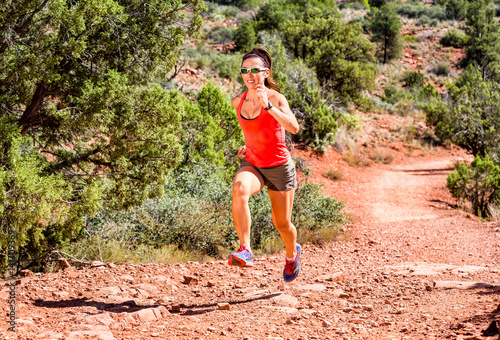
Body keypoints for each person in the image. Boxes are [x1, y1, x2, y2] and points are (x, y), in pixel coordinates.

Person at [227, 47, 301, 282]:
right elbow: (255, 131)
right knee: (239, 188)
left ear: (266, 72)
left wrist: (269, 107)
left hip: (279, 167)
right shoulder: (237, 101)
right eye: (244, 71)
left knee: (282, 223)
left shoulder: (277, 98)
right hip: (254, 164)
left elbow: (293, 128)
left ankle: (292, 255)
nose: (249, 75)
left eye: (255, 70)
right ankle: (245, 249)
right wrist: (247, 145)